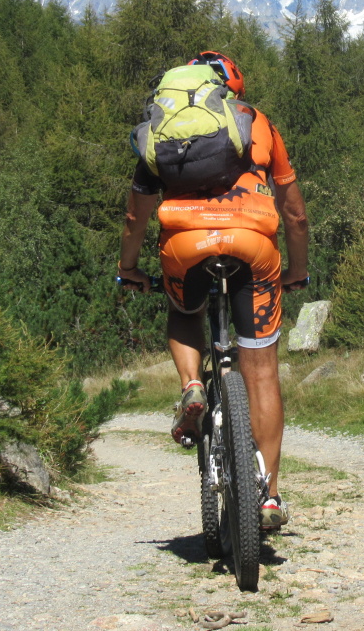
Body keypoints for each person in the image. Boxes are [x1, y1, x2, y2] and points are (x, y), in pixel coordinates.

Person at [116, 51, 309, 530]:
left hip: (185, 249)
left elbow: (136, 215)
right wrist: (297, 271)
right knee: (262, 373)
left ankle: (192, 385)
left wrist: (128, 267)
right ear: (230, 91)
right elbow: (295, 214)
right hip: (252, 249)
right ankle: (269, 496)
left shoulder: (162, 130)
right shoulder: (257, 124)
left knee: (184, 310)